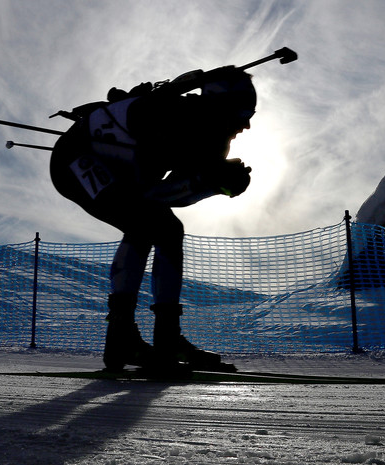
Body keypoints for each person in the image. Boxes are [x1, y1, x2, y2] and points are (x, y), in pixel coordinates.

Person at [50, 66, 256, 372]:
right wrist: (208, 182)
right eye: (242, 111)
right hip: (76, 157)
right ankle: (129, 337)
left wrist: (212, 186)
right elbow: (153, 195)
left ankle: (158, 338)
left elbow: (169, 195)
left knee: (167, 228)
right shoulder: (167, 112)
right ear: (217, 104)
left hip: (124, 171)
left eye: (251, 112)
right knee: (146, 223)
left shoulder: (215, 140)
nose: (248, 123)